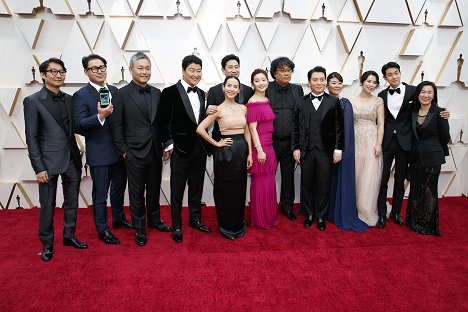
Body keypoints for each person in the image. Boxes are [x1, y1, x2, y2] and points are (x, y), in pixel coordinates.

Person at [24, 58, 88, 262]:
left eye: (62, 71)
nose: (58, 75)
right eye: (53, 72)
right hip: (47, 163)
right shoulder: (33, 101)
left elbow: (75, 127)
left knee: (71, 202)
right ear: (43, 74)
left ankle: (69, 236)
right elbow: (31, 137)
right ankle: (47, 244)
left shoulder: (70, 99)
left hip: (71, 159)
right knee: (48, 205)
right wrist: (38, 166)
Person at [377, 62, 450, 228]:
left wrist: (444, 111)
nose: (394, 77)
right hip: (386, 141)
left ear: (400, 73)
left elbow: (427, 106)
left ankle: (396, 212)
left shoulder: (413, 91)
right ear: (385, 78)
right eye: (390, 74)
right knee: (382, 179)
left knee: (400, 179)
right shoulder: (381, 95)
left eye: (396, 73)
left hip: (406, 142)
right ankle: (382, 213)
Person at [111, 52, 172, 247]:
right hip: (133, 152)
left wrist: (166, 144)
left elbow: (162, 123)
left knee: (154, 189)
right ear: (130, 70)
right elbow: (116, 124)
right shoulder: (120, 94)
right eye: (140, 68)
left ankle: (154, 220)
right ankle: (139, 228)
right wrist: (124, 150)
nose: (144, 71)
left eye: (147, 68)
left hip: (155, 150)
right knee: (137, 193)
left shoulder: (157, 93)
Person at [73, 54, 131, 245]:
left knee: (119, 189)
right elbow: (78, 125)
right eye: (94, 68)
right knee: (100, 195)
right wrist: (99, 117)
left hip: (120, 151)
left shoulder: (115, 90)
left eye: (102, 67)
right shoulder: (81, 95)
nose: (99, 71)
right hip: (99, 153)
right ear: (86, 72)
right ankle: (102, 229)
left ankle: (118, 218)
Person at [159, 54, 212, 244]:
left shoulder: (201, 94)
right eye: (192, 70)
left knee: (196, 188)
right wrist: (170, 145)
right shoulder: (169, 92)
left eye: (199, 71)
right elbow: (162, 123)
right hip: (180, 151)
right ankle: (177, 225)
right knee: (177, 191)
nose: (196, 74)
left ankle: (195, 219)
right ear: (183, 71)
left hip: (199, 149)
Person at [196, 76, 252, 239]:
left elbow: (247, 131)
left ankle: (238, 222)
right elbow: (200, 129)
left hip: (241, 150)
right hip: (225, 152)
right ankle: (226, 225)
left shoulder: (243, 108)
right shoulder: (218, 109)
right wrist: (216, 143)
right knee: (225, 189)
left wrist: (249, 153)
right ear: (223, 87)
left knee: (239, 188)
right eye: (229, 85)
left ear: (239, 89)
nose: (232, 89)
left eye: (235, 86)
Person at [292, 66, 344, 231]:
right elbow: (295, 127)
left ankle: (321, 215)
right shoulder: (300, 101)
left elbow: (339, 127)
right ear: (309, 82)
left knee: (324, 184)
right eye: (315, 79)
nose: (319, 82)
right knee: (306, 184)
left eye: (322, 79)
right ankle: (308, 213)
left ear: (325, 81)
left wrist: (338, 149)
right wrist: (295, 148)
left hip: (325, 151)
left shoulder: (333, 101)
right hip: (306, 150)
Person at [406, 81, 450, 236]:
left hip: (432, 158)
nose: (426, 95)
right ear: (418, 94)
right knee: (416, 189)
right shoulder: (412, 111)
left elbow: (445, 136)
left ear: (434, 95)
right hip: (415, 158)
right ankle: (414, 221)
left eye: (429, 92)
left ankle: (428, 224)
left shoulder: (440, 113)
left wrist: (434, 149)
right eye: (423, 92)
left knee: (429, 190)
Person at [326, 72, 367, 232]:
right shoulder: (323, 101)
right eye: (334, 82)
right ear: (327, 84)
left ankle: (339, 212)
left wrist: (344, 150)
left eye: (339, 83)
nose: (337, 86)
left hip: (341, 149)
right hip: (324, 149)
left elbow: (348, 129)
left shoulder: (345, 103)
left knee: (340, 179)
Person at [266, 57, 304, 221]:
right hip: (270, 142)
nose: (286, 73)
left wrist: (299, 144)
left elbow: (301, 117)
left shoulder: (297, 90)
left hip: (290, 142)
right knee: (267, 177)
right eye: (282, 70)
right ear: (274, 72)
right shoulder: (265, 87)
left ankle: (287, 207)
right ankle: (267, 207)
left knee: (288, 177)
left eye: (289, 70)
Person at [349, 71, 386, 226]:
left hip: (371, 140)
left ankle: (366, 209)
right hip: (355, 140)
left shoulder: (378, 100)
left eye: (374, 82)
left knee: (369, 177)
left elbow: (381, 124)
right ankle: (352, 208)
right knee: (355, 175)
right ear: (362, 81)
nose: (371, 85)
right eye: (368, 81)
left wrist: (378, 144)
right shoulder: (350, 99)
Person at [246, 69, 278, 229]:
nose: (261, 83)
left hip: (269, 146)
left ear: (268, 81)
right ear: (252, 84)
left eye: (263, 80)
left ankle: (269, 215)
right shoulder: (252, 102)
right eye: (257, 80)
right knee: (261, 185)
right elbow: (252, 129)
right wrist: (259, 151)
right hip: (261, 148)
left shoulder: (266, 99)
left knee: (269, 184)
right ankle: (260, 219)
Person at [206, 54, 254, 141]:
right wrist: (207, 111)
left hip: (243, 141)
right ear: (223, 70)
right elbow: (207, 114)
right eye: (230, 67)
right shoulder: (214, 91)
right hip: (220, 140)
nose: (234, 70)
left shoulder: (248, 90)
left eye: (236, 67)